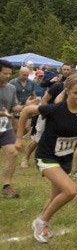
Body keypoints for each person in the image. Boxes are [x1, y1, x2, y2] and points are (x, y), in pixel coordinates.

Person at [15, 74, 77, 242]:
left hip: (64, 160)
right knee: (70, 191)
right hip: (46, 156)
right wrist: (19, 138)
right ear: (67, 91)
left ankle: (42, 222)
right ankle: (41, 222)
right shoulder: (55, 109)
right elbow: (26, 111)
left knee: (56, 196)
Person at [0, 60, 24, 198]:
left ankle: (6, 186)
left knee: (13, 153)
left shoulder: (11, 88)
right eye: (4, 73)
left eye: (9, 73)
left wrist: (26, 106)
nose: (8, 76)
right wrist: (2, 113)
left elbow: (14, 107)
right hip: (4, 119)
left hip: (5, 128)